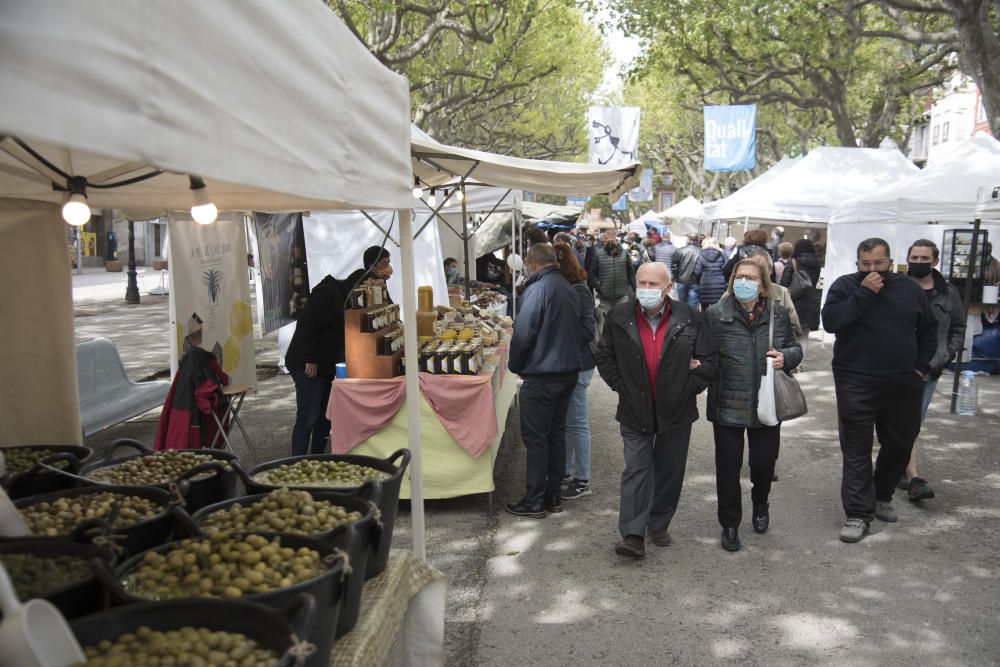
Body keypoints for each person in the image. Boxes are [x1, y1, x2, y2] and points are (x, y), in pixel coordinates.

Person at [595, 262, 719, 558]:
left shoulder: (690, 318)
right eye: (642, 283)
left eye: (653, 284)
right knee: (637, 468)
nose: (647, 290)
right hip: (634, 407)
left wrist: (687, 387)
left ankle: (659, 522)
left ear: (668, 287)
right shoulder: (619, 316)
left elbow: (710, 361)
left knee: (669, 470)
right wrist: (621, 386)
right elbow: (604, 355)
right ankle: (633, 534)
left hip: (676, 410)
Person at [822, 238, 937, 543]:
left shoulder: (908, 288)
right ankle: (858, 514)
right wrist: (864, 293)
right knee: (857, 449)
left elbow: (929, 329)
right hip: (855, 381)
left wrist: (921, 367)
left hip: (902, 382)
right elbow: (832, 322)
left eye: (878, 263)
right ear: (857, 263)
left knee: (900, 444)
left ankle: (881, 494)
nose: (872, 269)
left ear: (890, 261)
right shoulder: (845, 287)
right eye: (865, 264)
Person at [705, 259, 802, 551]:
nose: (744, 282)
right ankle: (730, 524)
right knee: (728, 468)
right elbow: (704, 355)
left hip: (766, 402)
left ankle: (761, 502)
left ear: (763, 284)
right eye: (739, 277)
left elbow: (796, 348)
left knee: (762, 464)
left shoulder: (777, 313)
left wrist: (787, 356)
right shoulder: (715, 313)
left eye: (751, 278)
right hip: (727, 403)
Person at [285, 245, 392, 456]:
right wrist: (311, 359)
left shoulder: (351, 300)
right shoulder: (329, 295)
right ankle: (296, 460)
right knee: (308, 416)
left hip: (326, 364)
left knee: (325, 416)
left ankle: (316, 458)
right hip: (306, 362)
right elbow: (306, 325)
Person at [505, 243, 582, 518]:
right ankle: (552, 497)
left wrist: (515, 366)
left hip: (543, 374)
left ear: (532, 264)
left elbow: (523, 333)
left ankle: (535, 500)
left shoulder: (538, 289)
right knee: (556, 435)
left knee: (538, 439)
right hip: (566, 372)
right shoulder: (569, 288)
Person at [897, 239, 966, 501]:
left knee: (913, 421)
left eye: (924, 258)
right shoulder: (896, 287)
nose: (918, 262)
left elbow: (958, 328)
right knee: (897, 421)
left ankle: (911, 475)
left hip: (928, 369)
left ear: (935, 261)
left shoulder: (948, 293)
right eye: (914, 257)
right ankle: (907, 472)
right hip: (895, 366)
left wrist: (945, 356)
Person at [554, 243, 597, 500]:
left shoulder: (579, 290)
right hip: (570, 363)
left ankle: (582, 479)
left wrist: (557, 338)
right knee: (570, 422)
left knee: (577, 423)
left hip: (579, 364)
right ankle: (568, 474)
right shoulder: (569, 287)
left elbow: (587, 331)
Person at [780, 239, 822, 362]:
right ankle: (800, 362)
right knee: (804, 335)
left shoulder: (793, 262)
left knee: (791, 334)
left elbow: (784, 282)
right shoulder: (816, 263)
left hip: (795, 301)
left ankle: (793, 361)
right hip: (811, 301)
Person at [747, 249, 803, 341]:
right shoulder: (734, 292)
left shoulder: (781, 292)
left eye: (762, 271)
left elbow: (794, 327)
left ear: (771, 271)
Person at [590, 229, 636, 317]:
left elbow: (631, 272)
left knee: (621, 320)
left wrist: (634, 289)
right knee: (607, 322)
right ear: (604, 239)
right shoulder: (598, 254)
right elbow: (592, 273)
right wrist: (598, 286)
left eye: (612, 240)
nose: (610, 242)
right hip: (605, 296)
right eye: (608, 240)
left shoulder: (624, 253)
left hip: (622, 295)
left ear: (616, 239)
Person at [694, 237, 727, 309]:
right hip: (719, 283)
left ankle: (705, 319)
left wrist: (698, 280)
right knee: (718, 307)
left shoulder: (700, 254)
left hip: (705, 282)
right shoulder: (722, 254)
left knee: (704, 307)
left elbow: (697, 271)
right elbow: (727, 268)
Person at [671, 233, 702, 308]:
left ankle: (683, 319)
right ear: (697, 240)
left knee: (681, 304)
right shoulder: (701, 251)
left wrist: (674, 278)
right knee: (693, 305)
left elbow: (674, 266)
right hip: (695, 281)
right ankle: (692, 319)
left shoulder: (680, 250)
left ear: (688, 240)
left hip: (681, 280)